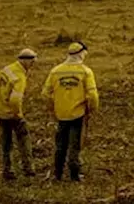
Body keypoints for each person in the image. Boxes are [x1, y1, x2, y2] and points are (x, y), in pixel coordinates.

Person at [42, 41, 99, 182]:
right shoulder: (86, 71)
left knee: (60, 146)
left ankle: (58, 174)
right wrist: (91, 109)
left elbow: (45, 93)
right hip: (78, 115)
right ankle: (74, 175)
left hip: (61, 114)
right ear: (82, 54)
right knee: (75, 145)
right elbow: (92, 95)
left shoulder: (55, 71)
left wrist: (53, 109)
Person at [0, 48, 38, 181]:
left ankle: (8, 171)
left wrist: (0, 97)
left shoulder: (8, 68)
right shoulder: (20, 77)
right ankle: (28, 169)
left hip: (0, 111)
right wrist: (18, 114)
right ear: (25, 61)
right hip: (12, 113)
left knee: (6, 143)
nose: (33, 65)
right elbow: (15, 99)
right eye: (32, 62)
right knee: (24, 141)